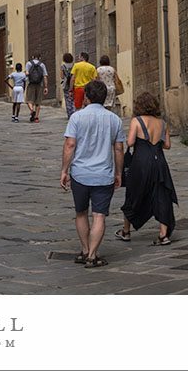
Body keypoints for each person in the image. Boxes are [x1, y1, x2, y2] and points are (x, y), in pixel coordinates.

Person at [59, 79, 126, 269]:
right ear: (104, 98)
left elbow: (70, 145)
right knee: (99, 216)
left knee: (81, 213)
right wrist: (119, 173)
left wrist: (64, 170)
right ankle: (93, 255)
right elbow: (119, 149)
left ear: (87, 97)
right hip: (103, 174)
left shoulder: (77, 117)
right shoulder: (114, 119)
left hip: (80, 174)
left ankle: (84, 249)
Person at [115, 90, 178, 246]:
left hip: (141, 162)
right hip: (159, 162)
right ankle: (164, 235)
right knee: (162, 195)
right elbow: (167, 145)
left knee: (133, 194)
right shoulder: (162, 123)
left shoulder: (136, 121)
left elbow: (130, 143)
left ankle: (126, 231)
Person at [24, 54, 49, 122]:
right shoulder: (42, 65)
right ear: (39, 58)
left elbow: (26, 73)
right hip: (39, 85)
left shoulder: (28, 63)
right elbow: (45, 76)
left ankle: (32, 110)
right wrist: (46, 87)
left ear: (32, 57)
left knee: (29, 100)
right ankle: (36, 117)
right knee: (38, 102)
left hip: (31, 84)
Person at [60, 52, 75, 118]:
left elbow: (62, 77)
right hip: (74, 84)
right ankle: (74, 112)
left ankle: (70, 114)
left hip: (66, 85)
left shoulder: (63, 66)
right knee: (74, 99)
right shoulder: (74, 65)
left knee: (67, 100)